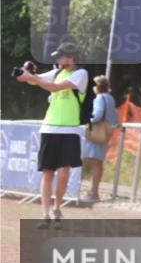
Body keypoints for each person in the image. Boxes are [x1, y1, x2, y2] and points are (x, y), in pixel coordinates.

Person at [15, 41, 88, 229]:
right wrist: (27, 72)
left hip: (69, 130)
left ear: (71, 58)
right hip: (49, 128)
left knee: (64, 174)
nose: (58, 59)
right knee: (47, 174)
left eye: (61, 56)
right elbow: (30, 80)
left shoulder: (80, 74)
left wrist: (35, 78)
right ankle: (45, 214)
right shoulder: (56, 72)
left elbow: (55, 88)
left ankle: (57, 208)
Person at [81, 74, 119, 203]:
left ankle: (94, 193)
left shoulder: (99, 98)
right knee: (98, 163)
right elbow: (114, 116)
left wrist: (88, 121)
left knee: (94, 164)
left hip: (96, 132)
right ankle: (94, 191)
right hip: (105, 132)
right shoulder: (110, 98)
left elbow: (97, 115)